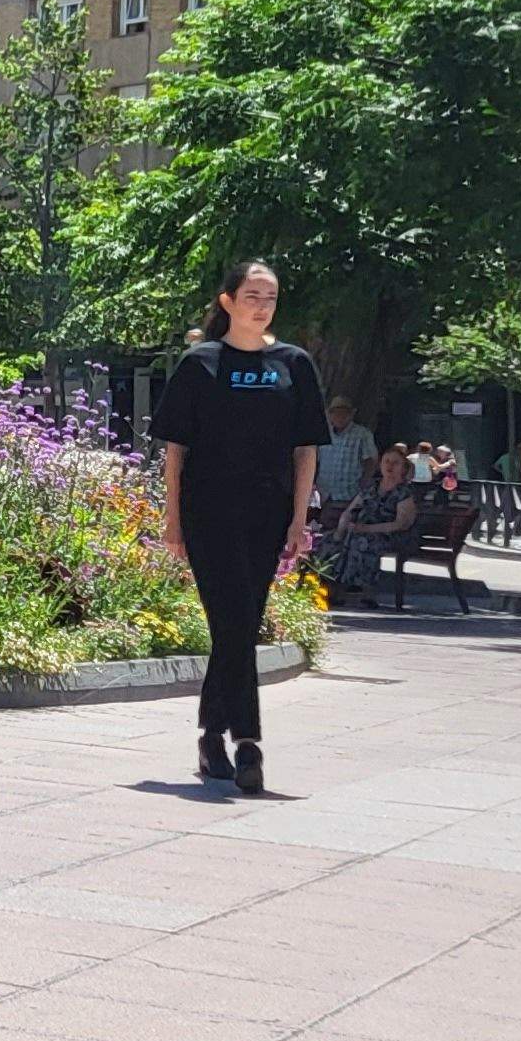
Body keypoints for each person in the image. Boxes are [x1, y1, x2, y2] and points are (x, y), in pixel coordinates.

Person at [152, 258, 327, 796]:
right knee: (233, 623)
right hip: (209, 513)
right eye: (252, 295)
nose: (262, 306)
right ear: (227, 301)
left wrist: (298, 518)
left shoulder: (294, 364)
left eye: (270, 297)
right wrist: (172, 519)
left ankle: (211, 736)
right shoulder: (200, 363)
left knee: (239, 627)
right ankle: (247, 743)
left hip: (267, 514)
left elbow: (306, 450)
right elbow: (176, 450)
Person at [316, 450, 424, 605]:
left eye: (395, 463)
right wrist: (340, 531)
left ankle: (364, 591)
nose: (390, 466)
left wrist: (365, 529)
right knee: (327, 541)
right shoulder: (371, 487)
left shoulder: (404, 493)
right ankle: (326, 586)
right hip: (360, 529)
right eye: (386, 461)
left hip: (392, 535)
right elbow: (349, 511)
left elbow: (401, 524)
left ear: (403, 468)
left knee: (362, 541)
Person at [313, 398, 377, 522]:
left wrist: (363, 488)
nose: (339, 415)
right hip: (325, 498)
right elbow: (316, 461)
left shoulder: (362, 434)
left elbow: (371, 462)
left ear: (352, 413)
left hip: (351, 499)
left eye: (344, 411)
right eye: (334, 411)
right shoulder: (323, 433)